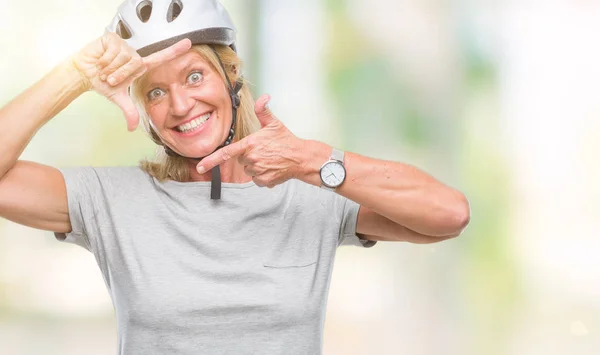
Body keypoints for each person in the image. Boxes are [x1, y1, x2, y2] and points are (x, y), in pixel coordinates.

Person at [0, 0, 470, 354]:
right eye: (157, 91)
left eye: (194, 77)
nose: (181, 105)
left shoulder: (311, 191)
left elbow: (449, 214)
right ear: (145, 115)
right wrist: (74, 75)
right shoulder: (110, 201)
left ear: (232, 78)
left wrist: (309, 160)